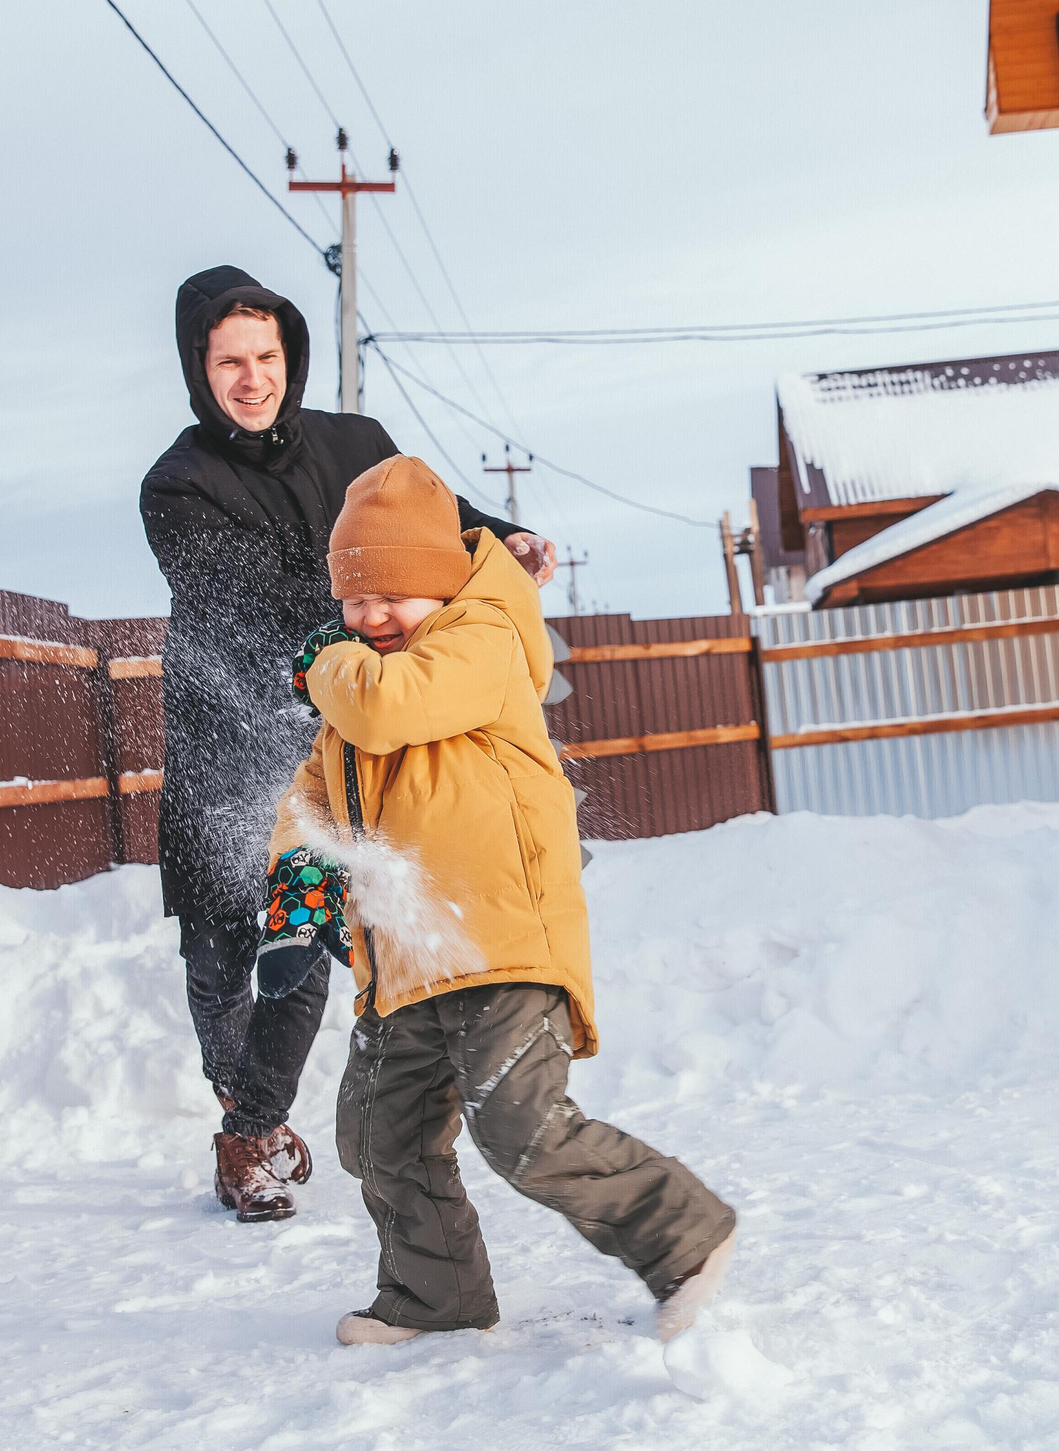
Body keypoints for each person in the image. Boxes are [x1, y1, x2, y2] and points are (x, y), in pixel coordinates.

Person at [265, 456, 736, 1345]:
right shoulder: (358, 682)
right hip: (407, 959)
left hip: (497, 939)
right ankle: (434, 1294)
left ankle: (685, 1234)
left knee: (522, 1127)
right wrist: (298, 881)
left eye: (391, 597)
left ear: (439, 585)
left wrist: (329, 663)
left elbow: (388, 706)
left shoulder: (481, 640)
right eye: (353, 602)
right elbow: (312, 798)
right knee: (375, 1135)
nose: (368, 618)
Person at [141, 265, 552, 1222]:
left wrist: (503, 538)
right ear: (199, 371)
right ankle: (233, 1083)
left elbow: (427, 530)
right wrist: (371, 631)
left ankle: (250, 1131)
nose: (253, 378)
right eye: (230, 361)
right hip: (224, 744)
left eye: (267, 356)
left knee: (302, 931)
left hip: (330, 736)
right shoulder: (177, 485)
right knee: (216, 954)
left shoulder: (356, 445)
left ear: (291, 356)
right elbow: (252, 602)